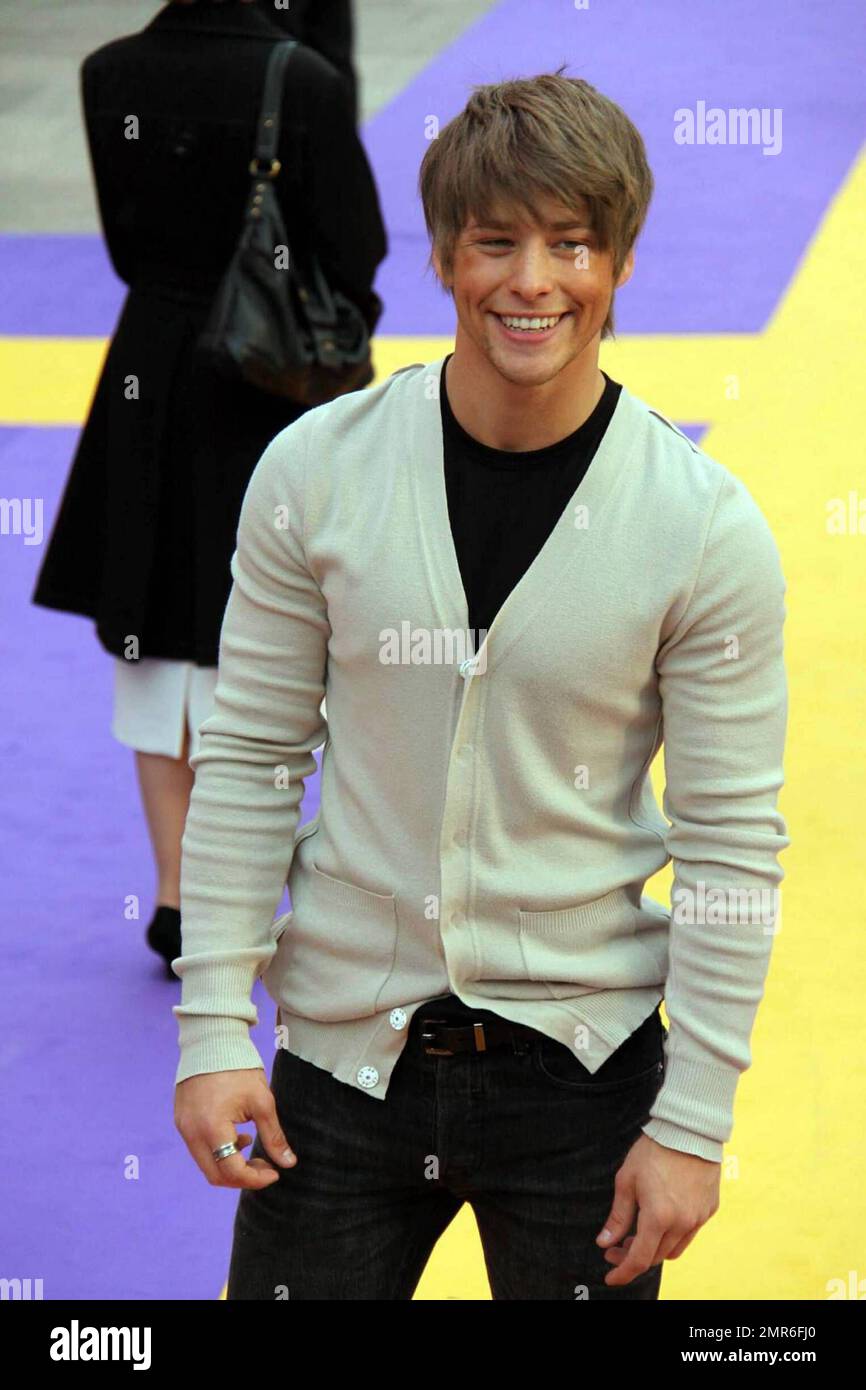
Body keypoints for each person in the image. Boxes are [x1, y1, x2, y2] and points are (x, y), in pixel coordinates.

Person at [172, 72, 790, 1299]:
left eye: (570, 245)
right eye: (494, 242)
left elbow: (729, 847)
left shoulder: (705, 532)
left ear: (617, 263)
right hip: (341, 1070)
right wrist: (207, 1030)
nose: (530, 282)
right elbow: (250, 756)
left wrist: (694, 1121)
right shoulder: (317, 472)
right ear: (446, 257)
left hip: (586, 1083)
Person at [30, 0, 387, 976]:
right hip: (265, 375)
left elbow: (124, 247)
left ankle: (180, 897)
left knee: (150, 628)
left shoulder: (108, 71)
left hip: (147, 371)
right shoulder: (301, 80)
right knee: (264, 630)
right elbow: (358, 250)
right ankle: (250, 893)